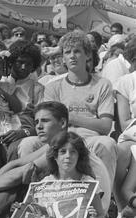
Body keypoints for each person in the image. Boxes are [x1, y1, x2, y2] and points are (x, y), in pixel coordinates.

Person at [0, 102, 112, 218]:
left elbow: (20, 174)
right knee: (16, 184)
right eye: (36, 122)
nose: (39, 127)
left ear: (63, 123)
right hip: (68, 206)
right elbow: (15, 164)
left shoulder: (64, 150)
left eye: (45, 121)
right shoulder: (55, 145)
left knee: (16, 186)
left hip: (91, 213)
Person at [0, 131, 106, 218]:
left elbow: (101, 216)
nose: (68, 156)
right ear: (55, 156)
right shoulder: (45, 183)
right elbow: (35, 216)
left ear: (79, 156)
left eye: (73, 152)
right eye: (62, 152)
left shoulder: (88, 183)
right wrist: (20, 211)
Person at [42, 31, 117, 189]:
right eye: (67, 52)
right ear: (63, 57)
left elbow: (105, 126)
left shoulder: (103, 84)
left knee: (108, 143)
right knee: (28, 144)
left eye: (77, 51)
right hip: (59, 139)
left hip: (90, 140)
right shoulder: (52, 87)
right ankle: (31, 203)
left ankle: (104, 202)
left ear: (87, 54)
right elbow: (49, 124)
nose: (72, 56)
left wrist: (71, 117)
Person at [113, 40, 136, 211]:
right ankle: (122, 207)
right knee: (121, 152)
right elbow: (124, 121)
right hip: (133, 133)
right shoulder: (126, 81)